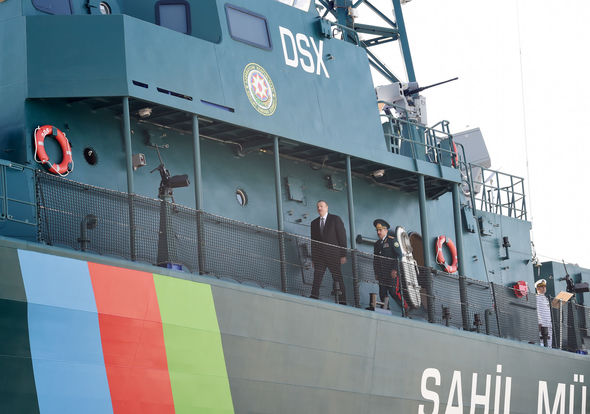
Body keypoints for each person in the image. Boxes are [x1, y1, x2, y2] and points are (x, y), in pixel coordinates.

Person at [310, 200, 347, 304]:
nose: (319, 208)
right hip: (320, 257)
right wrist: (313, 258)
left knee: (337, 277)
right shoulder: (314, 223)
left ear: (327, 207)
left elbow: (342, 237)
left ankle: (343, 300)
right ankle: (314, 296)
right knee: (317, 276)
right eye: (318, 207)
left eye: (321, 206)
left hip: (333, 255)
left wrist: (343, 254)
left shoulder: (335, 219)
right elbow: (313, 242)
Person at [372, 219, 405, 309]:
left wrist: (395, 270)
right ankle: (386, 309)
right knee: (382, 293)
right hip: (382, 274)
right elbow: (376, 260)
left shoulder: (392, 241)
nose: (378, 232)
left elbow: (399, 255)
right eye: (377, 230)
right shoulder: (377, 244)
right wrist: (376, 273)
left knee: (393, 292)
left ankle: (405, 307)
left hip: (392, 273)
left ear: (386, 230)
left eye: (380, 230)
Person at [535, 279, 553, 347]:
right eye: (542, 286)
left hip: (548, 323)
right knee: (542, 342)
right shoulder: (536, 298)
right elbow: (537, 310)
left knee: (549, 342)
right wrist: (539, 322)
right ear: (538, 288)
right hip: (542, 324)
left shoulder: (546, 299)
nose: (544, 288)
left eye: (544, 286)